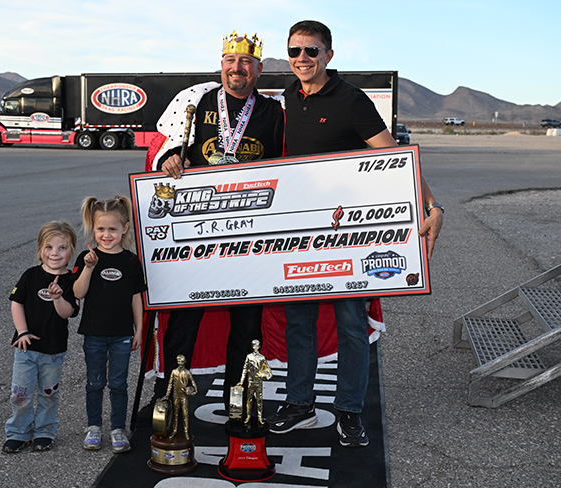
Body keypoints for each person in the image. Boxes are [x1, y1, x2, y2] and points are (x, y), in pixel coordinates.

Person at [266, 20, 444, 447]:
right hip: (301, 233)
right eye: (294, 51)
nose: (302, 58)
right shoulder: (289, 96)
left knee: (350, 325)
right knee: (299, 324)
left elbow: (395, 156)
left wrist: (431, 205)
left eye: (311, 50)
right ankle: (300, 404)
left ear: (328, 54)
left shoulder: (351, 99)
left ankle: (349, 410)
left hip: (347, 232)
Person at [149, 30, 284, 405]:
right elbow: (166, 146)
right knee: (184, 320)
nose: (237, 68)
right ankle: (169, 397)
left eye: (245, 62)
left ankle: (238, 402)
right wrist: (168, 158)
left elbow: (290, 164)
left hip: (250, 235)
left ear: (258, 69)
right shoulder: (196, 101)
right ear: (221, 64)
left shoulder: (274, 111)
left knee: (247, 324)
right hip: (200, 232)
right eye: (230, 60)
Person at [72, 195, 147, 454]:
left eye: (112, 229)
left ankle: (117, 429)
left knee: (118, 384)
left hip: (122, 335)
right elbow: (78, 293)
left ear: (125, 228)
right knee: (94, 383)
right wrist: (88, 268)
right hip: (93, 333)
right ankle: (93, 427)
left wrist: (139, 329)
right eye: (100, 229)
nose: (106, 235)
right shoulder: (87, 257)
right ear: (93, 228)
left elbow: (136, 297)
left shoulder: (131, 261)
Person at [3, 221, 80, 454]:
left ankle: (45, 431)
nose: (55, 253)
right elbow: (16, 303)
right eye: (49, 247)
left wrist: (57, 297)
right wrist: (22, 331)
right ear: (40, 249)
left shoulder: (72, 280)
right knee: (20, 394)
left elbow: (68, 312)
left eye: (62, 248)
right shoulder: (31, 275)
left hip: (54, 349)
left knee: (49, 393)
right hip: (25, 348)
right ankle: (18, 432)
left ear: (71, 251)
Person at [238, 339, 272, 426]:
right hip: (250, 382)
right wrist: (241, 381)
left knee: (259, 400)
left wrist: (267, 376)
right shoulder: (249, 357)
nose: (255, 347)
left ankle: (259, 417)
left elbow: (268, 370)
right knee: (249, 400)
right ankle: (248, 416)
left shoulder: (262, 358)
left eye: (257, 345)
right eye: (254, 345)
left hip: (259, 382)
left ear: (259, 346)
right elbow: (245, 369)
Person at [164, 354, 198, 439]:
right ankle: (174, 430)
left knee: (185, 414)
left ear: (185, 362)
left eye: (182, 361)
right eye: (179, 361)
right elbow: (170, 384)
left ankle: (186, 431)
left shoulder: (187, 372)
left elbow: (192, 381)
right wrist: (167, 395)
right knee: (175, 414)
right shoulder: (174, 372)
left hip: (184, 396)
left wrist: (195, 390)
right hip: (176, 396)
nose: (180, 363)